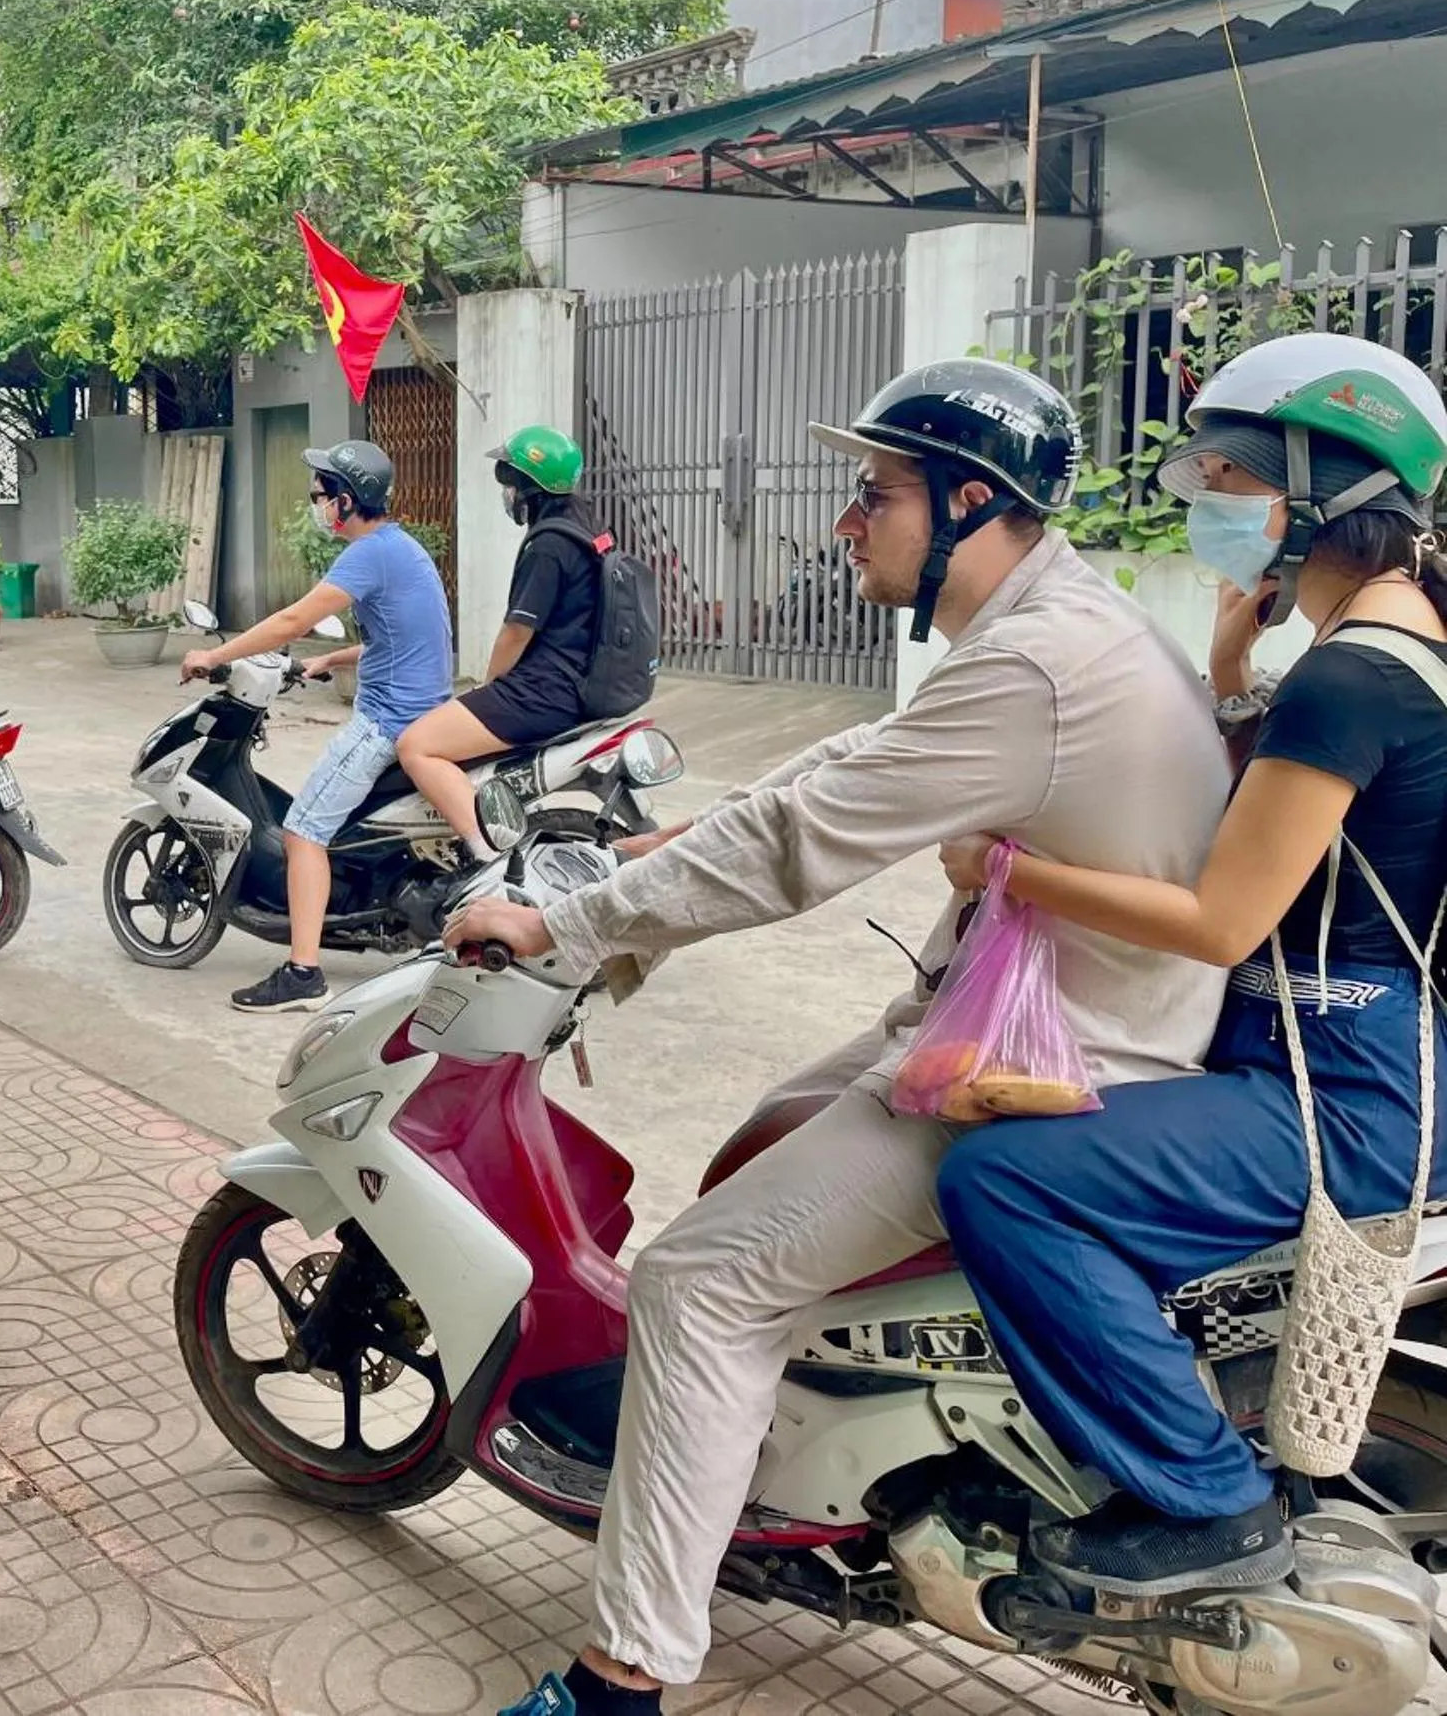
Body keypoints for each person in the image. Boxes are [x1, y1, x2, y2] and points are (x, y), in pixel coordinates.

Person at [446, 361, 1232, 1716]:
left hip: (1059, 1068)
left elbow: (802, 843)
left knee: (698, 1281)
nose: (845, 521)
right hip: (1041, 1023)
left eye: (875, 494)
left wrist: (567, 928)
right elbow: (845, 768)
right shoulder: (1058, 627)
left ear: (970, 499)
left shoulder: (1037, 664)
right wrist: (648, 847)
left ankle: (620, 1679)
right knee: (768, 1137)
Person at [933, 333, 1447, 1598]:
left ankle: (1208, 1499)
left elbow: (1222, 917)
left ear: (1323, 492)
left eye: (1226, 476)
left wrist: (1006, 871)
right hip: (1350, 1062)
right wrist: (1228, 670)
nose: (1205, 503)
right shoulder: (1394, 648)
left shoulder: (1350, 680)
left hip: (1332, 1103)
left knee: (1007, 1183)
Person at [179, 440, 451, 1014]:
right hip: (422, 708)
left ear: (346, 502)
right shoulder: (399, 547)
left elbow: (292, 619)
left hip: (387, 721)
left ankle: (303, 973)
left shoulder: (366, 555)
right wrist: (329, 660)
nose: (316, 506)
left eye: (320, 496)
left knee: (303, 830)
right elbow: (399, 639)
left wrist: (215, 655)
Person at [397, 426, 604, 861]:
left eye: (510, 483)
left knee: (415, 746)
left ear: (531, 487)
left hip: (542, 692)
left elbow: (516, 632)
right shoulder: (588, 529)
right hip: (573, 684)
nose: (507, 493)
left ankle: (484, 854)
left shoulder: (549, 545)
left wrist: (489, 687)